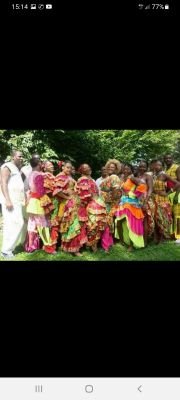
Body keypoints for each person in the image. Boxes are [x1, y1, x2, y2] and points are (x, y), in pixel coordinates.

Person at [53, 161, 87, 256]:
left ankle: (70, 246)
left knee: (72, 223)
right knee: (73, 223)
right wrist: (67, 197)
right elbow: (57, 191)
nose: (69, 169)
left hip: (74, 202)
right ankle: (74, 249)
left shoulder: (69, 177)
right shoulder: (61, 176)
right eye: (67, 167)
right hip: (68, 204)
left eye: (70, 167)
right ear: (62, 167)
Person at [114, 164, 147, 251]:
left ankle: (131, 245)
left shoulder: (132, 178)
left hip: (131, 204)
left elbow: (143, 185)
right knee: (118, 222)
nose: (125, 170)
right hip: (123, 202)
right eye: (124, 169)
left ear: (131, 170)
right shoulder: (122, 178)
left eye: (127, 169)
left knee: (131, 224)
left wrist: (135, 195)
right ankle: (122, 241)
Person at [76, 164, 107, 252]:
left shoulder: (90, 179)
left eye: (89, 167)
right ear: (81, 170)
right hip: (92, 205)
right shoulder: (83, 180)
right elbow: (83, 196)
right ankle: (92, 245)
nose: (89, 169)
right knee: (93, 225)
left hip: (97, 203)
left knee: (97, 224)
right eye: (85, 168)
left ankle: (93, 244)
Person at [0, 150, 25, 258]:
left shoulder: (16, 168)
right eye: (19, 156)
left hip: (16, 201)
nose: (21, 158)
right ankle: (6, 251)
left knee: (17, 223)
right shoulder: (7, 166)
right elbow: (3, 183)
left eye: (22, 156)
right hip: (10, 201)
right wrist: (7, 200)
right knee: (13, 224)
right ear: (13, 157)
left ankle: (8, 249)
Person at [24, 157, 52, 253]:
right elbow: (41, 192)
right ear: (39, 164)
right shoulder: (39, 175)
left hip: (31, 202)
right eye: (41, 162)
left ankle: (30, 246)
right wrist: (47, 204)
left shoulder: (30, 174)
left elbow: (28, 189)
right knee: (43, 224)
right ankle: (48, 247)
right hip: (38, 202)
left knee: (31, 224)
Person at [152, 160, 180, 244]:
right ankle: (157, 237)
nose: (157, 166)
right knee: (156, 218)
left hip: (163, 198)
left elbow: (178, 183)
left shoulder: (163, 174)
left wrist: (169, 192)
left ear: (162, 166)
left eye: (159, 165)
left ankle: (165, 237)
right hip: (155, 198)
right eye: (156, 165)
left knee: (164, 218)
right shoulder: (153, 175)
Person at [100, 159, 122, 252]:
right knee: (108, 223)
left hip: (109, 203)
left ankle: (105, 246)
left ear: (116, 169)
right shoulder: (108, 177)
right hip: (104, 202)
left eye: (113, 167)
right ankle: (109, 242)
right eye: (109, 167)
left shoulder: (114, 177)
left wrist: (112, 200)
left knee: (106, 222)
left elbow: (116, 192)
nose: (110, 168)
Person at [136, 161, 154, 245]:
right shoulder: (137, 176)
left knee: (145, 221)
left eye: (143, 167)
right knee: (138, 220)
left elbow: (150, 189)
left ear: (146, 168)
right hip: (136, 200)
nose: (142, 168)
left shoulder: (148, 176)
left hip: (145, 200)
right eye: (140, 166)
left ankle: (145, 241)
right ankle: (138, 239)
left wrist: (145, 201)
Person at [164, 154, 180, 243]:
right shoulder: (165, 169)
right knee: (171, 215)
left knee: (177, 215)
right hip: (169, 194)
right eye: (166, 158)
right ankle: (172, 234)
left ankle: (179, 236)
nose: (168, 159)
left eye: (169, 158)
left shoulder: (177, 167)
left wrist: (177, 195)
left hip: (177, 194)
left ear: (172, 159)